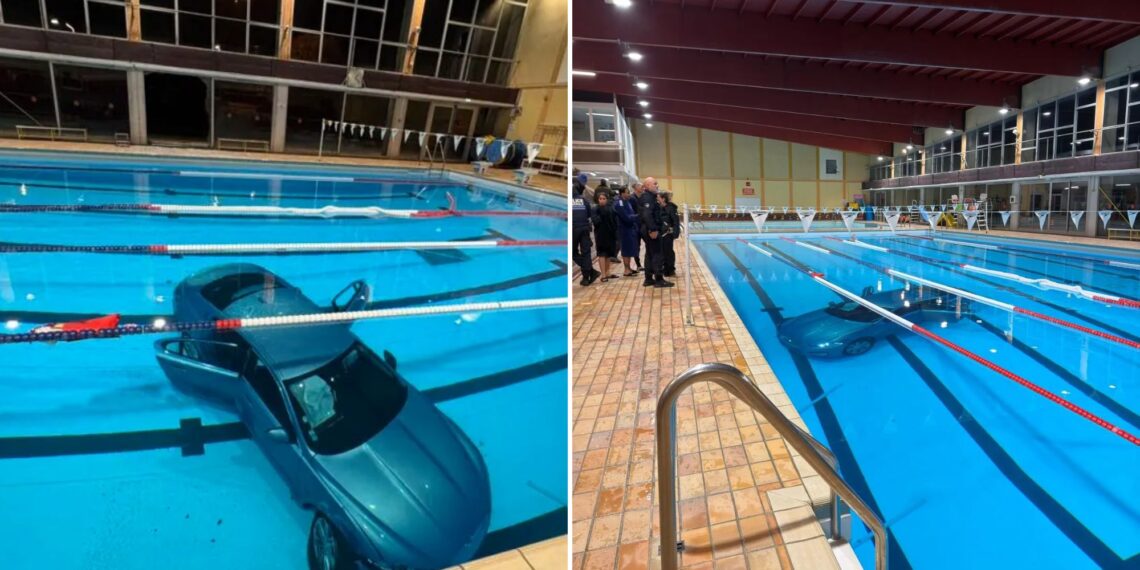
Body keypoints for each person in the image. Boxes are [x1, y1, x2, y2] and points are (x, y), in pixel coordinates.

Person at [639, 177, 673, 288]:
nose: (657, 185)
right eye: (654, 184)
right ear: (647, 186)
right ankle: (659, 279)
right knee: (657, 253)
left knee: (649, 253)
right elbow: (647, 215)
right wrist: (652, 229)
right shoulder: (647, 198)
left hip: (648, 228)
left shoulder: (651, 197)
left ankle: (648, 278)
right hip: (650, 229)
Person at [572, 178, 600, 286]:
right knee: (586, 253)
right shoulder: (584, 200)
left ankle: (590, 272)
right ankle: (586, 277)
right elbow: (589, 214)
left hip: (574, 229)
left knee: (573, 253)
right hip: (585, 228)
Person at [591, 191, 619, 282]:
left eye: (604, 199)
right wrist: (602, 214)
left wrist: (615, 233)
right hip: (600, 235)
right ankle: (603, 275)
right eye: (600, 199)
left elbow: (614, 221)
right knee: (602, 254)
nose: (602, 200)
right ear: (598, 200)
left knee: (608, 254)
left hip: (610, 234)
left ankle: (607, 272)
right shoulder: (595, 209)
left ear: (607, 199)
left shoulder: (611, 209)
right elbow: (595, 221)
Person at [614, 186, 641, 276]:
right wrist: (637, 216)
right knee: (626, 249)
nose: (629, 194)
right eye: (627, 192)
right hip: (624, 229)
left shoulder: (626, 202)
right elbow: (626, 218)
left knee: (629, 249)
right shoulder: (619, 203)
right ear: (622, 193)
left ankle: (628, 268)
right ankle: (626, 270)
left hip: (630, 228)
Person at [662, 191, 681, 277]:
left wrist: (676, 233)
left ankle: (670, 269)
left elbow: (676, 221)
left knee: (668, 252)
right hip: (663, 233)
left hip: (668, 233)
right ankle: (666, 268)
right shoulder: (662, 207)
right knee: (664, 251)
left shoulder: (671, 208)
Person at [629, 182, 645, 272]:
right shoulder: (632, 198)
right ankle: (638, 264)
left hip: (643, 223)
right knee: (637, 245)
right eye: (641, 186)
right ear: (636, 188)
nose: (643, 188)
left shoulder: (643, 197)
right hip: (636, 224)